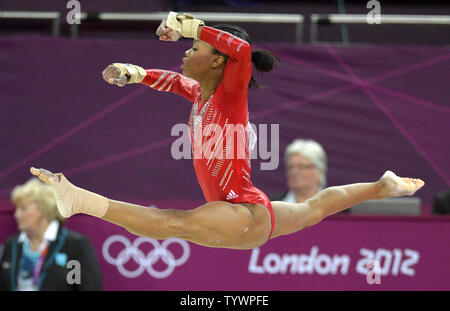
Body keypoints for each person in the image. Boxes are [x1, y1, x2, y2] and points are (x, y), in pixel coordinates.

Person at [29, 12, 424, 250]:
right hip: (254, 212)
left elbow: (243, 53)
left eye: (196, 48)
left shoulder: (232, 94)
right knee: (313, 208)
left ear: (219, 62)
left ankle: (79, 200)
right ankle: (382, 186)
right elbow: (171, 80)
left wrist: (191, 25)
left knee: (171, 224)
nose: (187, 51)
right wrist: (134, 74)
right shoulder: (203, 93)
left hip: (240, 211)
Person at [0, 178, 102, 291]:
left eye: (23, 209)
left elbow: (87, 287)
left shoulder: (74, 245)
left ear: (44, 210)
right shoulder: (12, 244)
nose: (17, 214)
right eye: (17, 209)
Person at [271, 139, 327, 203]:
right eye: (290, 167)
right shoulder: (271, 206)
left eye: (301, 166)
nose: (294, 172)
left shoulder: (336, 206)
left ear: (319, 170)